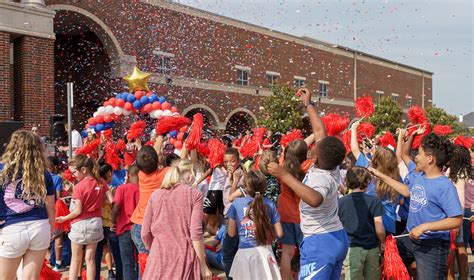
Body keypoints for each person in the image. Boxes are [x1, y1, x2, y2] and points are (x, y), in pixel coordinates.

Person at [268, 88, 349, 280]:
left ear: (317, 157)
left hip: (321, 243)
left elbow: (315, 199)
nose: (312, 146)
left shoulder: (321, 178)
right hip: (336, 237)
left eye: (315, 147)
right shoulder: (329, 166)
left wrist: (284, 175)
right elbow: (320, 131)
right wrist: (308, 104)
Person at [369, 133, 463, 279]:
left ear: (430, 159)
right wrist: (381, 176)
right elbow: (407, 191)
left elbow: (456, 220)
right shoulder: (419, 176)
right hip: (409, 238)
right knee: (387, 261)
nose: (416, 158)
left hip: (432, 245)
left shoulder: (445, 186)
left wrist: (425, 226)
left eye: (419, 154)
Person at [141, 159, 212, 279]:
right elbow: (196, 233)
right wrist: (203, 265)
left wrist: (154, 248)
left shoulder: (155, 195)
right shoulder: (194, 195)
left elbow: (145, 233)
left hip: (158, 258)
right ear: (190, 175)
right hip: (183, 258)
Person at [0, 130, 56, 279]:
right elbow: (51, 205)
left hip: (11, 228)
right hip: (40, 226)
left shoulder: (2, 171)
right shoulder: (43, 173)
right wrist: (52, 228)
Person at [56, 155, 113, 280]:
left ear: (83, 170)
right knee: (90, 259)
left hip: (80, 224)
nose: (73, 175)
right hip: (96, 223)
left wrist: (64, 218)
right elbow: (111, 200)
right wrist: (98, 202)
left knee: (75, 259)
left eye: (74, 172)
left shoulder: (79, 187)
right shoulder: (101, 182)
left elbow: (77, 211)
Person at [227, 170, 283, 279]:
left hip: (244, 255)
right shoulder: (270, 204)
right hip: (265, 253)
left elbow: (231, 233)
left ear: (245, 188)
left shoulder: (237, 204)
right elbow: (279, 233)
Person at [351, 120, 401, 235]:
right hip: (388, 226)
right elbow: (401, 201)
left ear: (374, 160)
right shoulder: (397, 178)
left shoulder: (368, 169)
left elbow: (354, 149)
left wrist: (354, 129)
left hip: (369, 224)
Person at [338, 167, 385, 280]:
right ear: (367, 183)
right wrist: (382, 242)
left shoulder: (341, 202)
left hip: (351, 248)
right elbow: (379, 228)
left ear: (347, 181)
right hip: (372, 248)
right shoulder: (374, 201)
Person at [130, 137, 169, 256]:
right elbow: (182, 162)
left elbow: (149, 159)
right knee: (152, 266)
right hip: (150, 227)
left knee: (144, 265)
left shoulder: (141, 174)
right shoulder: (164, 174)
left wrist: (160, 137)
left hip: (138, 225)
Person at [446, 145, 471, 280]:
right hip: (462, 214)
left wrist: (456, 218)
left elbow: (459, 197)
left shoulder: (456, 174)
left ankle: (451, 277)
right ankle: (463, 276)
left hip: (455, 214)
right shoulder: (465, 172)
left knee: (452, 246)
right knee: (461, 245)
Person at [95, 162, 122, 280]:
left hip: (98, 224)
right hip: (111, 225)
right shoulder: (112, 190)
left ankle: (94, 276)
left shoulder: (95, 188)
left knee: (96, 255)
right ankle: (119, 276)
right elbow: (116, 206)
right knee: (117, 254)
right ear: (110, 174)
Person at [112, 165, 140, 280]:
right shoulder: (143, 188)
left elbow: (116, 207)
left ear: (128, 175)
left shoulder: (122, 188)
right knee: (141, 259)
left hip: (123, 228)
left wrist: (114, 222)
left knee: (127, 262)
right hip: (139, 227)